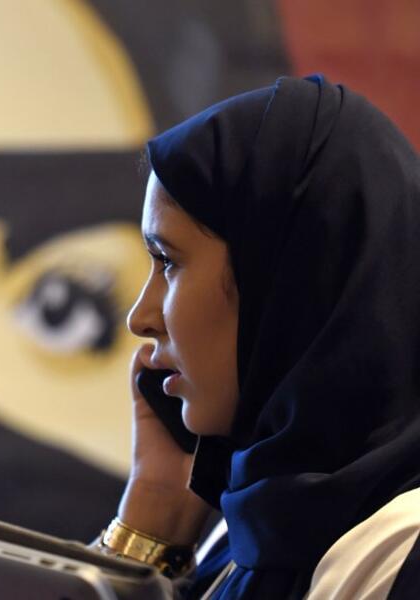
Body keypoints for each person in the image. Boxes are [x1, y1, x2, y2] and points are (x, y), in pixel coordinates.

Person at [94, 74, 420, 598]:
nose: (140, 317)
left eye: (168, 262)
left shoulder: (401, 552)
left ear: (290, 279)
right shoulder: (250, 527)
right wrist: (154, 513)